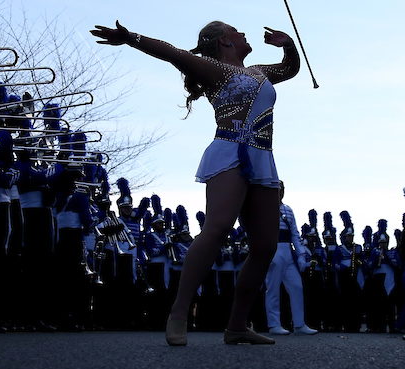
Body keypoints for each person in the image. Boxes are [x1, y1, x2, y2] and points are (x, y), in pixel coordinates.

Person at [90, 19, 300, 345]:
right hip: (231, 150)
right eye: (236, 30)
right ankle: (178, 313)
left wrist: (288, 43)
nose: (244, 32)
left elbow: (290, 69)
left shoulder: (258, 71)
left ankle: (237, 326)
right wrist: (131, 37)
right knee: (217, 228)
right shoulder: (215, 69)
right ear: (225, 42)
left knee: (265, 247)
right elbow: (172, 53)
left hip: (262, 156)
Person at [263, 182, 317, 335]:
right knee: (273, 289)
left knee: (297, 287)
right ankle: (274, 324)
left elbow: (295, 233)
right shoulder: (265, 208)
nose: (280, 193)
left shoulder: (288, 209)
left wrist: (300, 254)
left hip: (288, 251)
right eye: (277, 190)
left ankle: (299, 324)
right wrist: (267, 253)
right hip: (274, 250)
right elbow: (262, 232)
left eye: (282, 190)